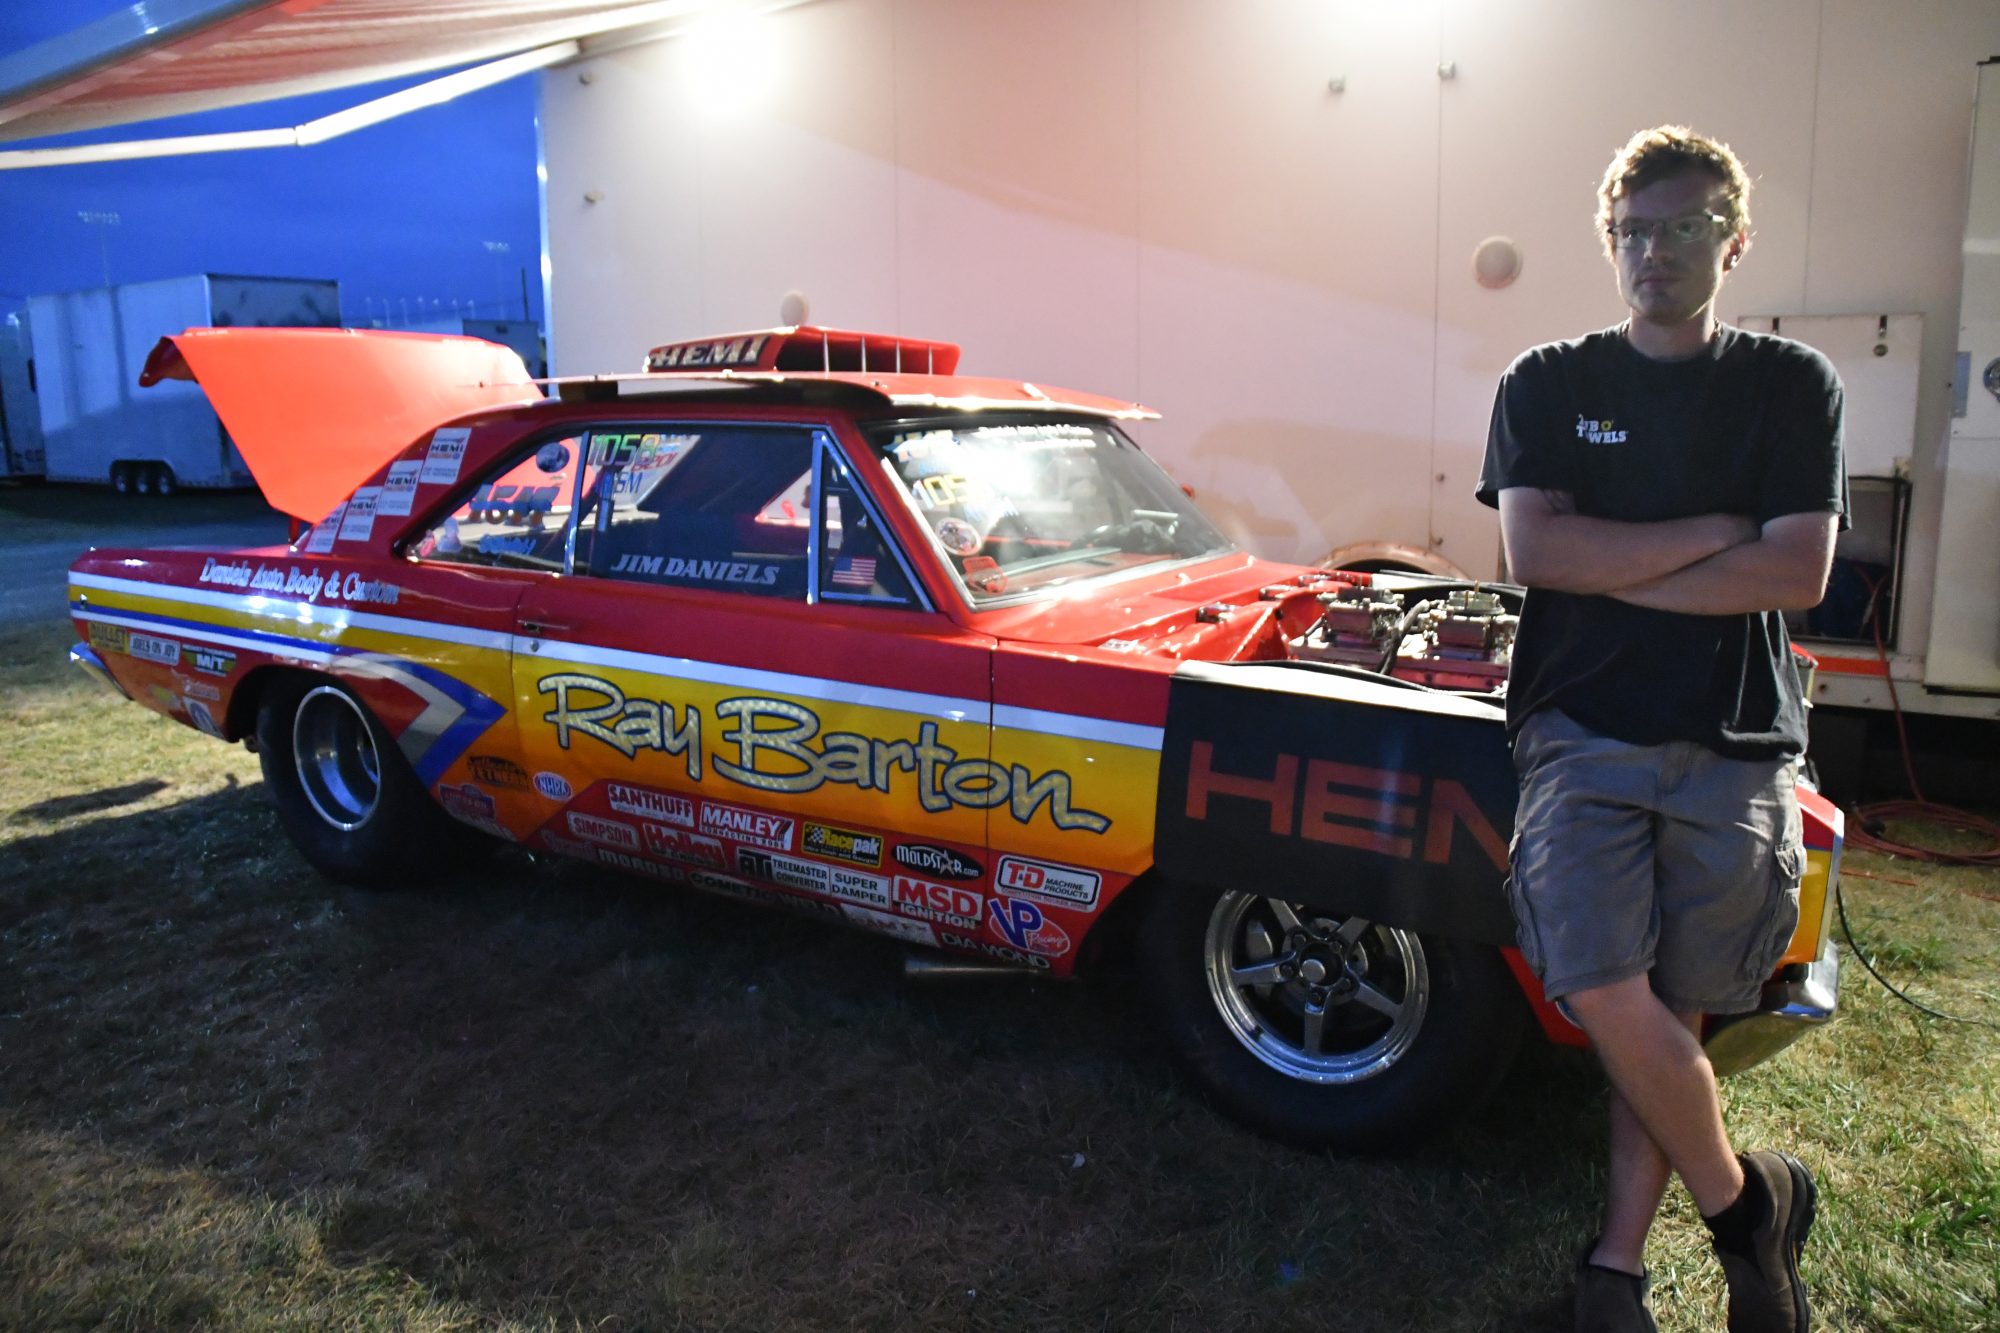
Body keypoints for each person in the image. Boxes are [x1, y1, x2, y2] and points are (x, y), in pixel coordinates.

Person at [1476, 126, 1846, 1333]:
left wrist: (1613, 562)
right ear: (1607, 241)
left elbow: (1794, 573)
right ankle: (1749, 1207)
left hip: (1730, 735)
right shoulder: (1547, 381)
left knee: (1674, 1003)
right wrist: (1715, 530)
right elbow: (1534, 552)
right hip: (1579, 728)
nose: (1653, 252)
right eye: (1632, 231)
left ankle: (1615, 1272)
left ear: (1730, 241)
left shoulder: (1790, 387)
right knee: (1596, 978)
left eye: (1681, 227)